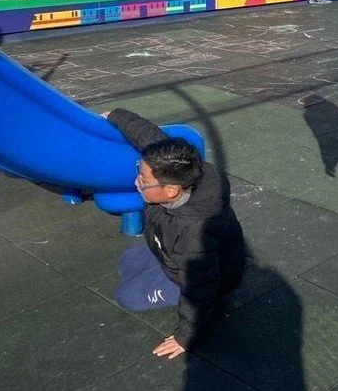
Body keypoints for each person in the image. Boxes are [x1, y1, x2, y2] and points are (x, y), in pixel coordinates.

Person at [104, 108, 245, 359]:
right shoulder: (183, 166)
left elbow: (199, 287)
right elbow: (151, 137)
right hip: (170, 251)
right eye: (140, 170)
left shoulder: (194, 235)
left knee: (127, 296)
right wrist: (116, 115)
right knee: (127, 260)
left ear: (171, 191)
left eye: (144, 180)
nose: (138, 180)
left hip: (201, 277)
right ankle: (160, 268)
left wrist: (186, 336)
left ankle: (207, 300)